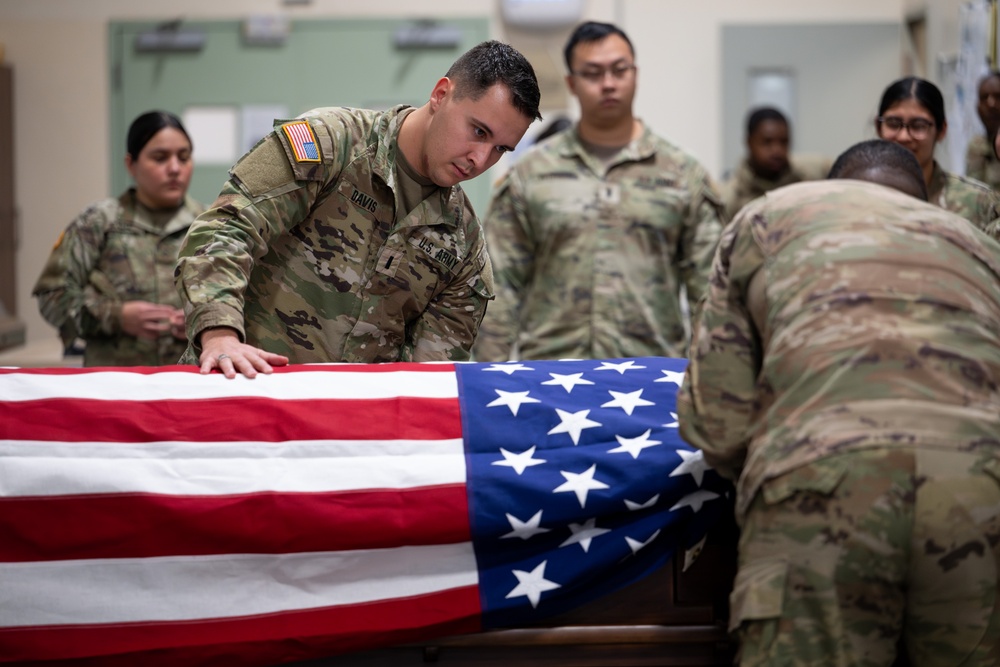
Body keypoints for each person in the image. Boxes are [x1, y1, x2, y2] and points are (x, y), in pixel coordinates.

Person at [677, 139, 1000, 666]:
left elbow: (717, 423)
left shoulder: (768, 219)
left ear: (831, 191)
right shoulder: (981, 247)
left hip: (820, 483)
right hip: (982, 491)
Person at [174, 40, 541, 379]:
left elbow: (427, 379)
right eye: (478, 131)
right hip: (244, 384)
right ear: (441, 94)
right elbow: (228, 227)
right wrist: (219, 333)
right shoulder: (333, 145)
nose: (481, 159)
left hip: (349, 422)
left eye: (500, 149)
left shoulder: (464, 248)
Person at [472, 21, 725, 362]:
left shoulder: (682, 174)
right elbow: (500, 289)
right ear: (572, 83)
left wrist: (710, 380)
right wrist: (490, 379)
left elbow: (710, 293)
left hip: (650, 375)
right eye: (593, 73)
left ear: (635, 74)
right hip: (552, 373)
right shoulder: (531, 175)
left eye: (619, 70)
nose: (608, 83)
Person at [33, 111, 204, 366]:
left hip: (191, 380)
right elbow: (51, 296)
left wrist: (206, 319)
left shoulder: (211, 224)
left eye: (184, 157)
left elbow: (250, 302)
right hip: (115, 380)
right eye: (160, 158)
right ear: (131, 164)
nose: (175, 168)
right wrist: (115, 316)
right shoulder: (99, 222)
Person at [874, 76, 1000, 233]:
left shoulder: (979, 202)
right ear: (878, 127)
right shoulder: (858, 197)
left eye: (918, 125)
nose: (904, 136)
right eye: (893, 124)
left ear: (942, 130)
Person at [720, 106, 831, 220]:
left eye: (784, 142)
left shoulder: (813, 173)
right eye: (767, 142)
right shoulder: (731, 198)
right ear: (749, 142)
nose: (777, 151)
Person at [966, 70, 1000, 192]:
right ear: (978, 108)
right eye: (984, 97)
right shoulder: (976, 146)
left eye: (998, 96)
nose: (991, 104)